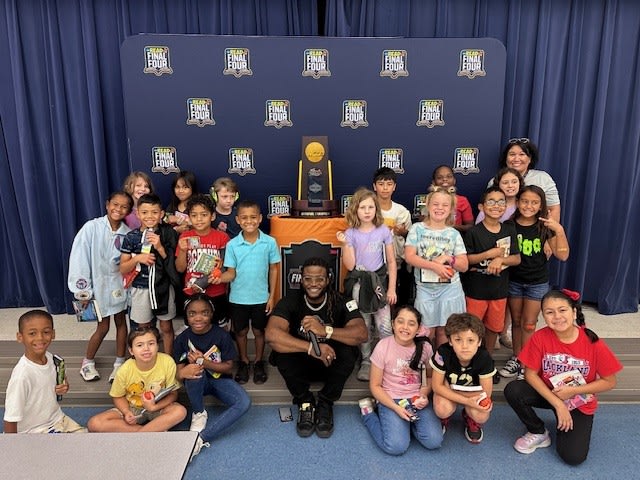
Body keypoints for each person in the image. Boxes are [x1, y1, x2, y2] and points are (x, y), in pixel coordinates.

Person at [504, 289, 623, 465]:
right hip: (550, 394)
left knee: (573, 457)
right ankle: (538, 431)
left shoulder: (593, 342)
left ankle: (566, 425)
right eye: (549, 312)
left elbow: (610, 382)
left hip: (578, 401)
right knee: (514, 390)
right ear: (543, 316)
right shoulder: (540, 337)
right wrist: (558, 404)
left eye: (562, 310)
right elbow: (530, 374)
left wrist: (574, 391)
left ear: (573, 312)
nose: (557, 317)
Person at [266, 257, 367, 438]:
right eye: (308, 278)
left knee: (349, 351)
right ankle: (304, 401)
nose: (313, 284)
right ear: (301, 279)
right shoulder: (289, 301)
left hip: (330, 365)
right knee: (281, 353)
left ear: (328, 280)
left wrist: (325, 331)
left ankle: (326, 402)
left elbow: (361, 334)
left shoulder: (342, 301)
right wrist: (311, 348)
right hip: (302, 365)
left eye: (319, 279)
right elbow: (271, 335)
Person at [499, 186, 570, 380]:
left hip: (537, 282)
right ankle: (517, 357)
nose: (528, 206)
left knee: (529, 324)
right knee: (516, 322)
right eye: (524, 201)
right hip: (514, 280)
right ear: (517, 202)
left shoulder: (545, 226)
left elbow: (563, 255)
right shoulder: (509, 225)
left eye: (534, 202)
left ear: (541, 206)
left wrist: (559, 230)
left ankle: (527, 362)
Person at [358, 306, 443, 455]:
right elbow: (375, 385)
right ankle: (368, 414)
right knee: (396, 447)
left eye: (411, 323)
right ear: (393, 324)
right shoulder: (383, 346)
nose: (405, 327)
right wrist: (395, 407)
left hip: (416, 398)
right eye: (400, 321)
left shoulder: (425, 347)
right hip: (391, 399)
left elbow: (428, 377)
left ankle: (406, 425)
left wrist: (423, 395)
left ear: (418, 328)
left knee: (434, 441)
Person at [173, 294, 250, 457]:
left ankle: (201, 438)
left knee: (243, 402)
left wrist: (203, 361)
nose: (198, 318)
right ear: (186, 316)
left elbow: (229, 368)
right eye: (192, 313)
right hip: (197, 383)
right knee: (194, 371)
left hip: (219, 381)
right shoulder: (182, 338)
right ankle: (198, 412)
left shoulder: (221, 335)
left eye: (204, 313)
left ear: (212, 314)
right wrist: (186, 370)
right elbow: (179, 374)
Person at [68, 191, 133, 383]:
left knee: (121, 322)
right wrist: (83, 290)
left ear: (129, 210)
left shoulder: (127, 234)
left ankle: (119, 363)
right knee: (103, 326)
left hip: (118, 286)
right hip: (97, 286)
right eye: (115, 204)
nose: (118, 209)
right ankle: (87, 362)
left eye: (124, 207)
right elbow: (79, 258)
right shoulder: (92, 228)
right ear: (107, 204)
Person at [338, 188, 397, 381]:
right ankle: (366, 361)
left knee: (384, 326)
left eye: (371, 207)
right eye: (362, 207)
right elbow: (350, 265)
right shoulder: (351, 233)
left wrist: (391, 289)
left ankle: (386, 360)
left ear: (376, 209)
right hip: (359, 283)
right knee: (364, 324)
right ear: (355, 209)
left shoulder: (383, 230)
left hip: (379, 284)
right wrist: (345, 244)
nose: (367, 211)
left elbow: (391, 262)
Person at [219, 200, 280, 384]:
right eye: (244, 218)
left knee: (259, 331)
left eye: (253, 217)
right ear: (237, 220)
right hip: (238, 299)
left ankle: (259, 362)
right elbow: (230, 273)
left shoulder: (269, 242)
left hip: (261, 298)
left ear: (260, 218)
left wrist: (271, 296)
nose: (249, 221)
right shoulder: (232, 245)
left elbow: (274, 269)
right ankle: (244, 361)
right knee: (241, 332)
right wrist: (218, 278)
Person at [87, 326, 186, 433]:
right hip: (133, 407)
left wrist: (154, 407)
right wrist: (126, 412)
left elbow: (173, 394)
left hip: (159, 406)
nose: (146, 348)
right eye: (139, 345)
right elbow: (118, 396)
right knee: (94, 423)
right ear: (131, 351)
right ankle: (150, 431)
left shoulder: (167, 362)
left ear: (157, 346)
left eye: (151, 343)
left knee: (180, 411)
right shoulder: (125, 369)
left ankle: (140, 434)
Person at [462, 187, 520, 364]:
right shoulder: (473, 232)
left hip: (499, 290)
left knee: (494, 327)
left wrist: (500, 260)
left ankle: (486, 360)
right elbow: (467, 260)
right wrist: (489, 254)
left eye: (501, 202)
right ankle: (470, 361)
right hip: (476, 290)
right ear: (482, 207)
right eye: (491, 201)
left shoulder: (509, 230)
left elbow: (516, 258)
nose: (496, 205)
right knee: (472, 327)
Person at [404, 187, 468, 348]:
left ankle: (441, 362)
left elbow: (464, 265)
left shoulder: (453, 234)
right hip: (425, 290)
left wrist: (448, 258)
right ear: (428, 205)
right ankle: (427, 363)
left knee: (445, 332)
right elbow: (410, 256)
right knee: (426, 333)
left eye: (445, 205)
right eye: (436, 204)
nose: (440, 208)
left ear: (451, 209)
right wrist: (434, 266)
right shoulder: (417, 229)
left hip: (450, 290)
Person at [3, 310, 86, 434]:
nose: (40, 338)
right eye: (32, 333)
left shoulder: (51, 358)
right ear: (20, 337)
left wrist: (63, 386)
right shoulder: (22, 376)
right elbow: (10, 419)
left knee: (90, 441)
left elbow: (53, 383)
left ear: (53, 334)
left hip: (58, 420)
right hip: (33, 432)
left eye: (46, 332)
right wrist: (13, 445)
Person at [120, 193, 181, 355]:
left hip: (163, 288)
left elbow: (175, 265)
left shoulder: (168, 233)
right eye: (145, 212)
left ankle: (168, 360)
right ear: (137, 214)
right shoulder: (131, 237)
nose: (150, 216)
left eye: (154, 212)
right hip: (141, 288)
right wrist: (137, 258)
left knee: (166, 327)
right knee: (143, 328)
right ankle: (146, 359)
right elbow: (123, 268)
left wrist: (160, 247)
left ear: (161, 214)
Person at [430, 313, 496, 444]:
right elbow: (436, 386)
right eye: (458, 340)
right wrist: (466, 400)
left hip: (464, 392)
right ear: (450, 341)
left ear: (479, 342)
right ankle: (445, 417)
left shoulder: (484, 357)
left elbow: (486, 392)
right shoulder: (443, 352)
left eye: (470, 340)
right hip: (458, 393)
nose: (464, 346)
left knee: (481, 415)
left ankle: (469, 417)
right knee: (442, 409)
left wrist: (460, 396)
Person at [175, 194, 230, 327]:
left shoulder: (222, 237)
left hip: (216, 292)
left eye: (204, 215)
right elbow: (180, 269)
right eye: (194, 215)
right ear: (189, 218)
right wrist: (182, 250)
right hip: (192, 291)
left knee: (220, 327)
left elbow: (226, 267)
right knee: (194, 327)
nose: (199, 219)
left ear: (212, 216)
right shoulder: (185, 237)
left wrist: (213, 276)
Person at [372, 167, 414, 308]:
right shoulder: (368, 209)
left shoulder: (402, 211)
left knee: (395, 302)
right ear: (374, 186)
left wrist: (403, 232)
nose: (385, 188)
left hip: (397, 263)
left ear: (394, 187)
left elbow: (410, 238)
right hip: (372, 263)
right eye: (381, 184)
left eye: (389, 184)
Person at [493, 138, 561, 221]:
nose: (516, 159)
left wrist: (551, 228)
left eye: (522, 154)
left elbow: (553, 209)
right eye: (512, 154)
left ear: (530, 159)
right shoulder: (495, 181)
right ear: (506, 159)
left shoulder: (543, 178)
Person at [431, 165, 474, 232]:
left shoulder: (462, 200)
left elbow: (470, 226)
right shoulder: (428, 199)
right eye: (439, 177)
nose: (445, 179)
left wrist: (450, 226)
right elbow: (422, 222)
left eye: (449, 176)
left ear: (454, 181)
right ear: (434, 182)